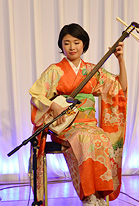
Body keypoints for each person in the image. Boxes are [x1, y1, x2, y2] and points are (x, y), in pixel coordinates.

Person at [29, 23, 128, 206]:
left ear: (84, 44)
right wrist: (53, 106)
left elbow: (119, 88)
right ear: (61, 46)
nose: (72, 47)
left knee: (102, 140)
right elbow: (36, 95)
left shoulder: (93, 70)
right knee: (84, 139)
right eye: (66, 43)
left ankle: (100, 196)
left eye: (76, 42)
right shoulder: (55, 70)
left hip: (89, 125)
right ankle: (88, 196)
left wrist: (120, 60)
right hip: (66, 127)